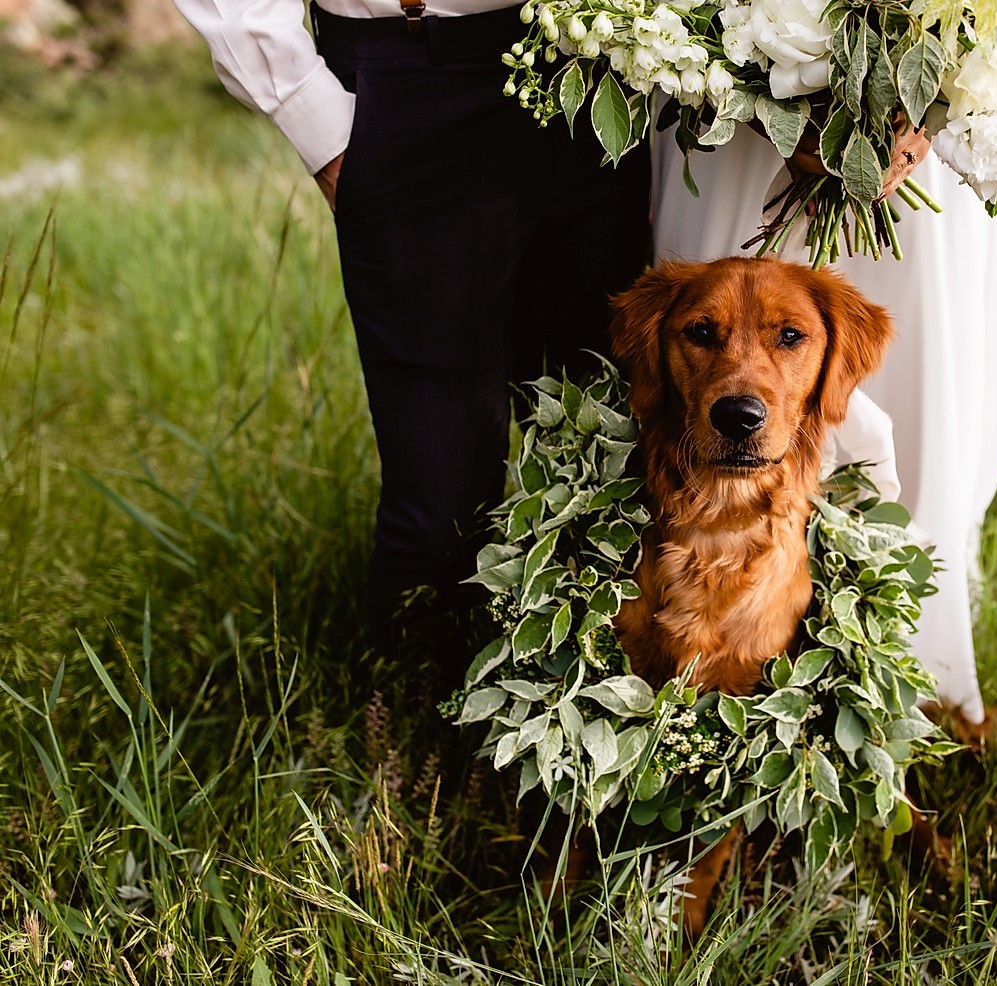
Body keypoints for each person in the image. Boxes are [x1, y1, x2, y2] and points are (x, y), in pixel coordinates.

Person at [172, 0, 652, 686]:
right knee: (441, 492)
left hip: (599, 76)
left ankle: (578, 729)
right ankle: (410, 740)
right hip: (416, 77)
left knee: (606, 446)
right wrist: (324, 129)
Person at [652, 125, 997, 732]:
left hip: (931, 148)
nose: (741, 391)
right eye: (702, 335)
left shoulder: (842, 337)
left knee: (931, 397)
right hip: (727, 118)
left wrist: (918, 116)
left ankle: (912, 693)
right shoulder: (666, 317)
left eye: (789, 338)